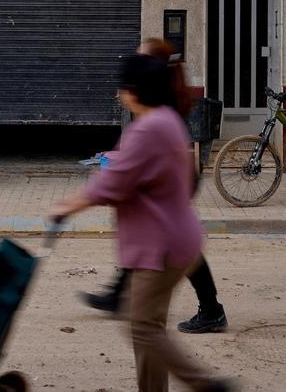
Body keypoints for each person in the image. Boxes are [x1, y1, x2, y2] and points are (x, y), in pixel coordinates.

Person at [51, 54, 231, 392]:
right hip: (176, 240)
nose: (119, 93)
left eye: (121, 87)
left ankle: (205, 385)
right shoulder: (165, 120)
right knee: (150, 327)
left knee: (141, 327)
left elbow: (112, 183)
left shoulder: (148, 128)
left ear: (132, 91)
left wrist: (66, 205)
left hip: (160, 248)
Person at [80, 39, 228, 335]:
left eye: (141, 56)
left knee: (177, 243)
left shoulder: (162, 98)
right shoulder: (163, 93)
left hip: (173, 178)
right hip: (170, 176)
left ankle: (211, 309)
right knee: (148, 229)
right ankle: (117, 293)